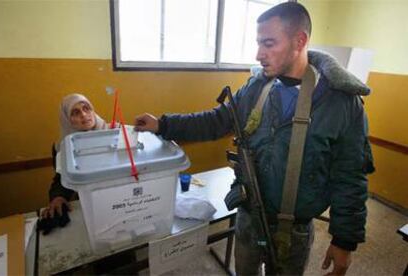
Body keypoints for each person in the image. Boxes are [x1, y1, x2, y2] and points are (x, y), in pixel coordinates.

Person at [134, 2, 374, 275]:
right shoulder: (257, 87)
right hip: (248, 216)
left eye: (269, 43)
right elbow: (216, 120)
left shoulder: (342, 104)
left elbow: (350, 176)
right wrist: (163, 124)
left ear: (300, 40)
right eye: (259, 43)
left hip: (292, 232)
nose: (259, 54)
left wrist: (345, 240)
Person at [41, 93, 107, 219]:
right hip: (88, 204)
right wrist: (58, 197)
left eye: (86, 108)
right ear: (66, 119)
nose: (83, 115)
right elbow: (61, 178)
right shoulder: (61, 147)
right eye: (75, 112)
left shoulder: (114, 134)